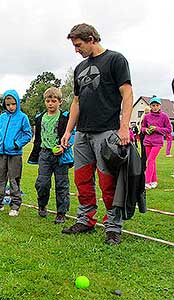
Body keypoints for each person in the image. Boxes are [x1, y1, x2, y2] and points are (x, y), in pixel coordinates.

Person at [60, 23, 134, 245]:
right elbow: (76, 101)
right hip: (82, 134)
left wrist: (124, 127)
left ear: (91, 38)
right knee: (82, 179)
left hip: (107, 132)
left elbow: (128, 94)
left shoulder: (115, 60)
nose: (76, 50)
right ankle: (85, 220)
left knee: (107, 182)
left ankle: (113, 226)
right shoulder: (80, 68)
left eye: (78, 45)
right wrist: (68, 130)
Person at [28, 87, 74, 224]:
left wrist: (63, 146)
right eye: (48, 101)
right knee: (42, 183)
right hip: (44, 154)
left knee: (62, 185)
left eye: (54, 101)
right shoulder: (40, 118)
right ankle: (42, 205)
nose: (50, 104)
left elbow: (72, 134)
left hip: (61, 156)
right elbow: (37, 137)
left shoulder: (65, 117)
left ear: (60, 102)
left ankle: (61, 212)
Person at [0, 89, 32, 217]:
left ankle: (15, 206)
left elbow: (28, 134)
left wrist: (17, 144)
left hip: (15, 154)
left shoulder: (23, 117)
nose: (11, 107)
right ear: (4, 104)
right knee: (0, 180)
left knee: (14, 180)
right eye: (8, 104)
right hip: (1, 154)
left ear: (17, 103)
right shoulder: (2, 117)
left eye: (13, 104)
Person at [141, 96, 172, 189]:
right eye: (153, 105)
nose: (155, 107)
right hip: (147, 142)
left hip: (157, 142)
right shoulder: (146, 116)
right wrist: (146, 130)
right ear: (150, 106)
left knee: (150, 160)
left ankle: (147, 181)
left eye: (157, 105)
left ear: (160, 106)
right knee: (151, 161)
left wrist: (157, 129)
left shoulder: (164, 116)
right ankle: (154, 181)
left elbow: (169, 130)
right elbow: (142, 127)